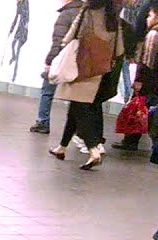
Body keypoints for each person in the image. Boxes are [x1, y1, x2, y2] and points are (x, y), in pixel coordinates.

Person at [48, 0, 126, 169]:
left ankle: (93, 149)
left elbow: (71, 35)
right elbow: (119, 49)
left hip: (82, 66)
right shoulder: (114, 16)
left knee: (80, 108)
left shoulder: (87, 11)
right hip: (102, 68)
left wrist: (60, 50)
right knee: (75, 106)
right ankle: (61, 147)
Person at [33, 0, 85, 133]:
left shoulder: (66, 15)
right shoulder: (86, 13)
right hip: (81, 61)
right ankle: (78, 130)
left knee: (47, 90)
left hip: (63, 59)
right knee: (78, 98)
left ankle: (42, 122)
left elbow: (58, 40)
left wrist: (50, 61)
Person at [115, 5, 158, 150]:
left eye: (150, 16)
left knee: (138, 110)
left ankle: (131, 140)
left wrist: (139, 79)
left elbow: (147, 61)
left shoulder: (153, 34)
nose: (147, 18)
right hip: (154, 81)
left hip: (148, 81)